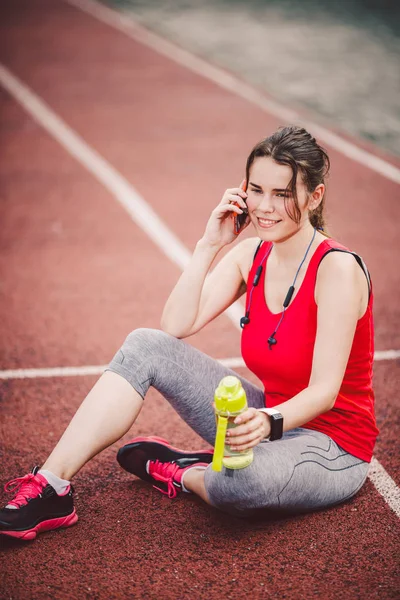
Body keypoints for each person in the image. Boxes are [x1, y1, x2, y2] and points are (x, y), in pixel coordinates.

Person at [0, 126, 379, 540]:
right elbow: (176, 325)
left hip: (333, 446)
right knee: (146, 344)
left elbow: (325, 391)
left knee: (240, 483)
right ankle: (52, 486)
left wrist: (268, 423)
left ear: (314, 197)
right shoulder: (250, 255)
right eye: (256, 190)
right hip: (265, 422)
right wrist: (207, 244)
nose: (265, 207)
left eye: (283, 194)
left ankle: (188, 471)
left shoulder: (338, 270)